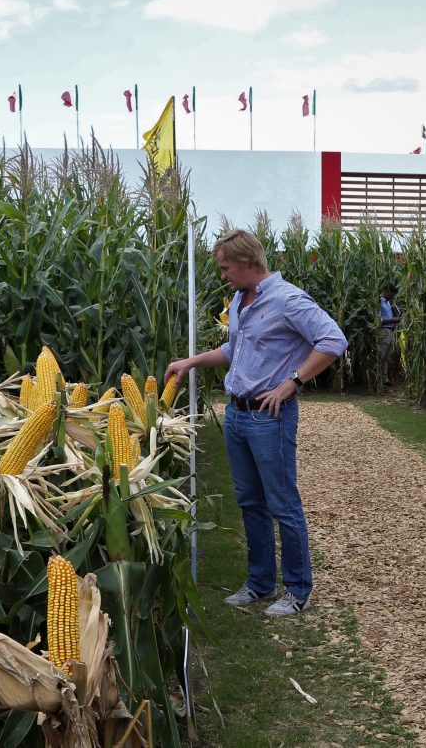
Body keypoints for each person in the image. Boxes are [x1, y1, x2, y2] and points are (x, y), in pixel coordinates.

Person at [165, 229, 347, 617]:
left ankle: (297, 591)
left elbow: (332, 340)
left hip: (269, 418)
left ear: (248, 263)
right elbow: (235, 349)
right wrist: (191, 361)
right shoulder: (238, 300)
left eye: (226, 267)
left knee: (283, 504)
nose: (223, 275)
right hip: (237, 414)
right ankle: (260, 584)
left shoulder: (288, 300)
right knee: (250, 502)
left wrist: (293, 382)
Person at [378, 285, 401, 385]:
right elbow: (378, 320)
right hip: (383, 331)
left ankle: (384, 379)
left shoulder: (388, 303)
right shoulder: (379, 301)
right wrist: (392, 320)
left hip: (390, 331)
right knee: (381, 356)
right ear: (387, 291)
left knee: (387, 356)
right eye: (392, 294)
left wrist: (395, 319)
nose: (393, 297)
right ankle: (377, 378)